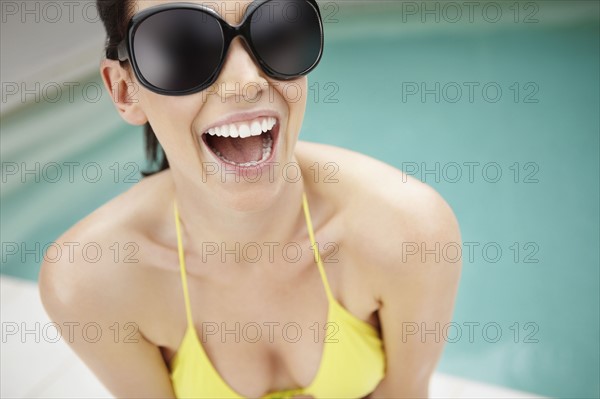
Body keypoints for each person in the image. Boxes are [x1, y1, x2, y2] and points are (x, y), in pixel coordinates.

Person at [40, 1, 462, 398]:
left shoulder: (409, 231)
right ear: (124, 91)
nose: (247, 82)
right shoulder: (89, 279)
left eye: (277, 26)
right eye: (183, 45)